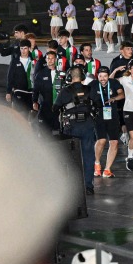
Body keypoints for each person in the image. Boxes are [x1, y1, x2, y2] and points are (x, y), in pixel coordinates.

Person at [55, 63, 99, 194]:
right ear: (83, 76)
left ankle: (73, 186)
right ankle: (88, 186)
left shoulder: (65, 91)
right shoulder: (89, 89)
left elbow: (55, 107)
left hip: (72, 126)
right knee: (88, 156)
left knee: (71, 156)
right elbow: (98, 105)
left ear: (70, 76)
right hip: (87, 125)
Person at [90, 67, 124, 178]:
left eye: (105, 76)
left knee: (114, 142)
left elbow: (122, 94)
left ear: (108, 76)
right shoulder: (93, 84)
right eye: (100, 76)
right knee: (102, 140)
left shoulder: (114, 83)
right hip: (99, 116)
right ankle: (97, 163)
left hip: (112, 115)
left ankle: (107, 169)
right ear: (97, 76)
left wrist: (114, 98)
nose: (103, 79)